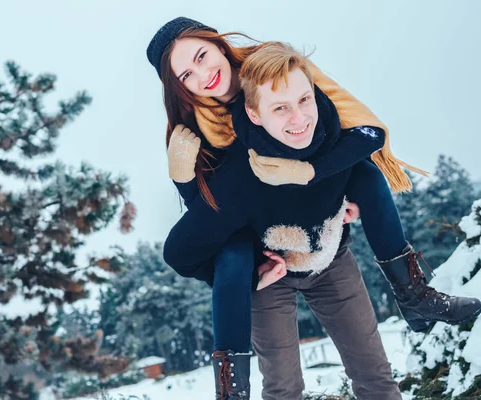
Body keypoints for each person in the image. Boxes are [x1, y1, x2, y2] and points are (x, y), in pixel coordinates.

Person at [146, 17, 481, 399]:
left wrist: (317, 176)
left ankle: (414, 293)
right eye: (187, 74)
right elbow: (209, 222)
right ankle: (231, 388)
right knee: (284, 387)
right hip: (270, 265)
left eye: (202, 56)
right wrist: (183, 179)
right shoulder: (197, 130)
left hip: (327, 252)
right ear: (180, 88)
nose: (203, 74)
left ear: (219, 44)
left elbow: (360, 132)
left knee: (375, 374)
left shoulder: (278, 71)